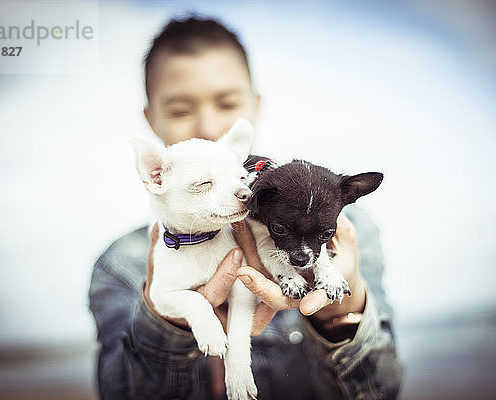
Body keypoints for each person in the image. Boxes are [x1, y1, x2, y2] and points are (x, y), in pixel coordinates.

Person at [89, 16, 403, 400]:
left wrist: (340, 312)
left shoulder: (346, 231)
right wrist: (170, 322)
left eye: (227, 102)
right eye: (179, 110)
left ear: (255, 106)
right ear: (150, 119)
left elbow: (381, 392)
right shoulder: (121, 265)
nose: (207, 125)